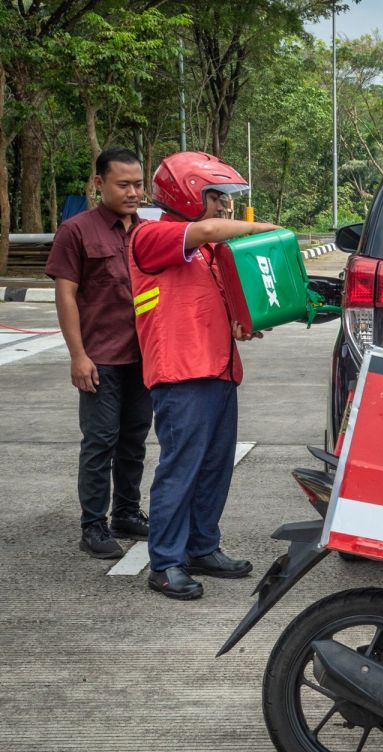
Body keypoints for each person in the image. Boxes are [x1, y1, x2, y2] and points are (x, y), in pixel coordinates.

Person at [129, 151, 280, 600]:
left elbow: (212, 300)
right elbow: (210, 230)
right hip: (181, 373)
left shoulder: (208, 252)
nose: (225, 208)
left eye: (228, 200)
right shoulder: (151, 236)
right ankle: (166, 563)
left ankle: (201, 547)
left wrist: (241, 323)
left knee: (214, 468)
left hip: (217, 370)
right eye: (217, 197)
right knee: (181, 469)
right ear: (189, 195)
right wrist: (261, 229)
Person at [45, 147, 153, 560]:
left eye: (138, 184)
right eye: (123, 184)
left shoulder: (145, 231)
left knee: (134, 440)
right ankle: (93, 524)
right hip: (100, 358)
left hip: (142, 356)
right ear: (99, 184)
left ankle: (127, 513)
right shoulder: (77, 231)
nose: (132, 192)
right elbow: (66, 295)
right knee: (100, 442)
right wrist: (78, 356)